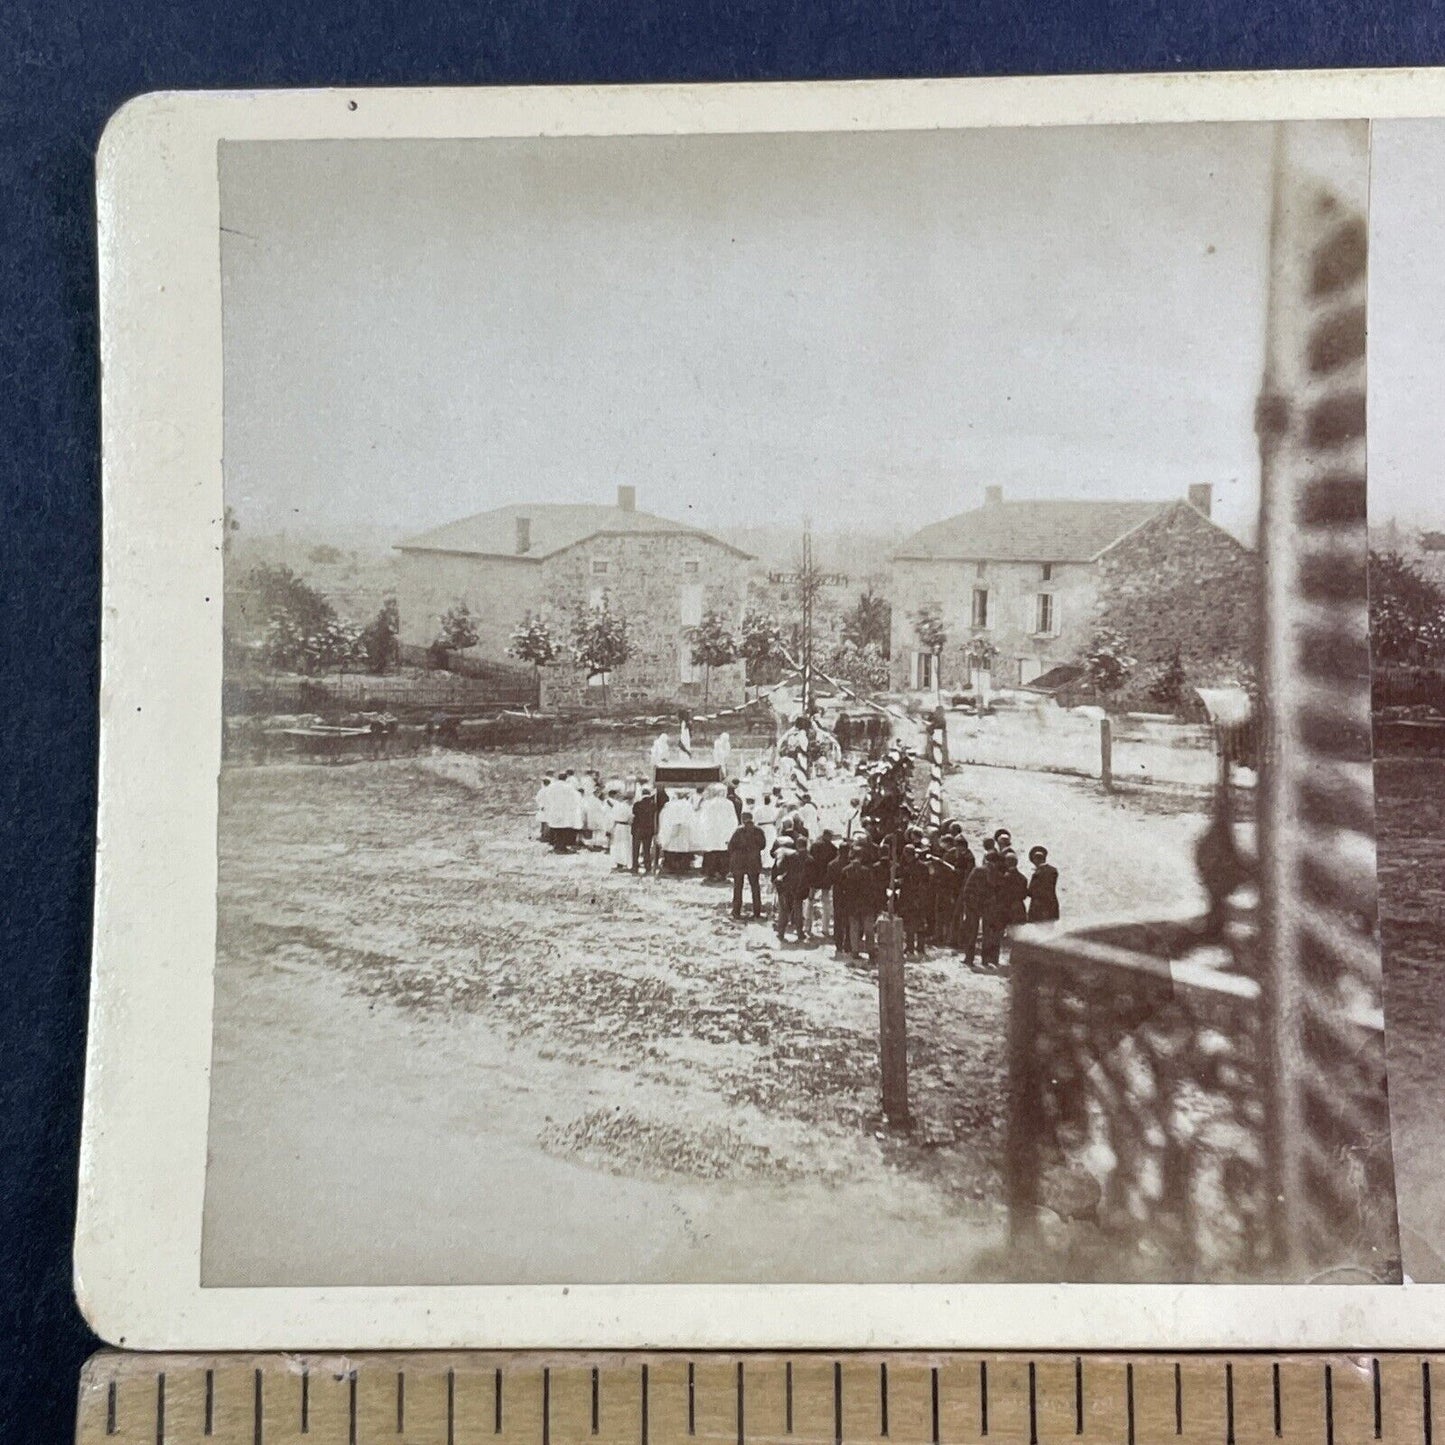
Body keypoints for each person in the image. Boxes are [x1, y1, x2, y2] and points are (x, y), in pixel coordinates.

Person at [957, 847, 994, 966]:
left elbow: (967, 888)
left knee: (972, 932)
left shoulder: (978, 870)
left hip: (975, 906)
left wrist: (968, 902)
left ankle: (970, 959)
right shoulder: (996, 873)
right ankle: (985, 960)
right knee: (986, 933)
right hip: (985, 906)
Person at [728, 811, 767, 919]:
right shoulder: (758, 831)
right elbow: (763, 845)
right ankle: (757, 912)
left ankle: (736, 911)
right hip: (753, 861)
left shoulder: (738, 831)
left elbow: (731, 846)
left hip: (739, 862)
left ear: (742, 819)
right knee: (755, 887)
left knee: (738, 887)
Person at [698, 783, 739, 882]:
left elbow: (703, 819)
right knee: (723, 852)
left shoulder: (707, 803)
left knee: (711, 852)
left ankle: (711, 873)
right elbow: (733, 819)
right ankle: (722, 873)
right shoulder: (729, 804)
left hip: (711, 832)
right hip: (724, 832)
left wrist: (703, 830)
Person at [772, 838, 810, 943]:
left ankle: (781, 933)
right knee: (798, 910)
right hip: (800, 887)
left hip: (788, 886)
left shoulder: (790, 856)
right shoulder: (809, 858)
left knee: (784, 910)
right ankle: (800, 933)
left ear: (797, 845)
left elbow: (782, 869)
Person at [807, 831, 839, 940]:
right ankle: (825, 928)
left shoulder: (815, 846)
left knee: (810, 901)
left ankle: (807, 927)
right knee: (826, 903)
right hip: (825, 878)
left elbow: (809, 860)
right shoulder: (834, 849)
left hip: (814, 877)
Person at [542, 771, 585, 852]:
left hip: (554, 810)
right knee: (564, 829)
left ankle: (557, 846)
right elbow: (574, 798)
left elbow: (547, 797)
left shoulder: (552, 786)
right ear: (566, 778)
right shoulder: (569, 787)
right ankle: (561, 846)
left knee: (556, 829)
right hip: (565, 811)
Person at [658, 788, 697, 874]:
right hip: (684, 830)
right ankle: (683, 867)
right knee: (682, 848)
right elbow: (692, 819)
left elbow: (664, 817)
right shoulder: (688, 805)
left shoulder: (669, 805)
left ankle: (671, 867)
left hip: (674, 829)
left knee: (672, 848)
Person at [1026, 845, 1060, 922]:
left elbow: (1031, 891)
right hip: (1051, 905)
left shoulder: (1038, 873)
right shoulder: (1053, 871)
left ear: (1035, 860)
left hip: (1038, 907)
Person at [630, 786, 659, 873]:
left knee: (636, 849)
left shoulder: (637, 804)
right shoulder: (653, 805)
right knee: (647, 849)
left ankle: (635, 867)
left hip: (638, 829)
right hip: (648, 830)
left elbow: (634, 815)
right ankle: (648, 867)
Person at [607, 786, 633, 871]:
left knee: (617, 845)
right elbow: (631, 819)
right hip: (625, 827)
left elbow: (612, 818)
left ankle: (618, 863)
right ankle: (625, 862)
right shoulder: (628, 807)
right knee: (625, 845)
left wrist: (610, 829)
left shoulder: (616, 806)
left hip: (617, 827)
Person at [536, 775, 554, 844]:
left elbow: (537, 799)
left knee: (544, 821)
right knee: (547, 821)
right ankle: (546, 835)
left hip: (544, 807)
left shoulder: (541, 791)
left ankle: (545, 835)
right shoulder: (551, 790)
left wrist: (541, 805)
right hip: (549, 807)